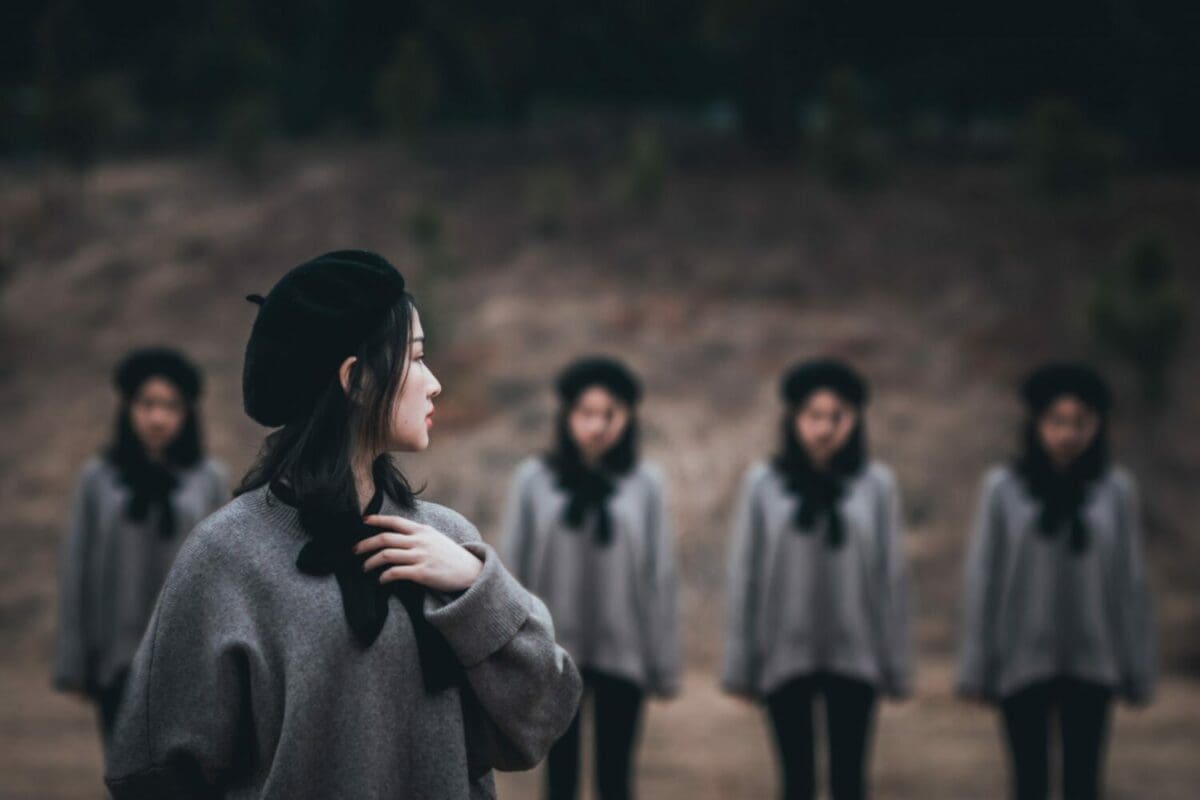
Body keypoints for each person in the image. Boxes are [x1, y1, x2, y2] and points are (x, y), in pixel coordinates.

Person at [103, 250, 582, 799]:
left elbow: (544, 713)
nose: (435, 384)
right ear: (355, 380)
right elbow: (150, 773)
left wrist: (475, 586)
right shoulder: (226, 556)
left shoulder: (445, 540)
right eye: (417, 358)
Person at [958, 362, 1156, 800]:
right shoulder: (1003, 488)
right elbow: (984, 577)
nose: (1068, 434)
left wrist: (1137, 665)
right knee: (1029, 782)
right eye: (1057, 422)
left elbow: (1131, 582)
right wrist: (978, 666)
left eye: (1079, 423)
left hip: (1093, 662)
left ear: (1097, 426)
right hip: (1020, 661)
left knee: (1083, 783)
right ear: (1036, 425)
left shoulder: (1115, 490)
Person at [722, 358, 913, 800]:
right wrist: (742, 665)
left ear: (855, 420)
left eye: (837, 417)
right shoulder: (763, 484)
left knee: (850, 782)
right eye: (813, 416)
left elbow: (893, 580)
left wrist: (896, 664)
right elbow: (746, 576)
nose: (824, 429)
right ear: (793, 419)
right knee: (796, 783)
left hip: (857, 656)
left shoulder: (876, 485)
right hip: (783, 656)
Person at [500, 356, 680, 800]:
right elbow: (510, 571)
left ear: (628, 418)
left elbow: (660, 576)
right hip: (553, 654)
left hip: (625, 652)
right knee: (559, 780)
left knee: (616, 778)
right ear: (567, 416)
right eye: (586, 413)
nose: (597, 426)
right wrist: (510, 652)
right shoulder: (534, 481)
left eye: (610, 414)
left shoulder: (646, 484)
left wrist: (662, 659)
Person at [54, 346, 228, 751]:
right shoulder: (98, 480)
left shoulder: (209, 479)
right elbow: (76, 569)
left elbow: (225, 573)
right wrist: (76, 663)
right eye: (147, 404)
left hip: (189, 662)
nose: (157, 417)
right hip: (117, 660)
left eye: (170, 406)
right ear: (129, 408)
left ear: (187, 413)